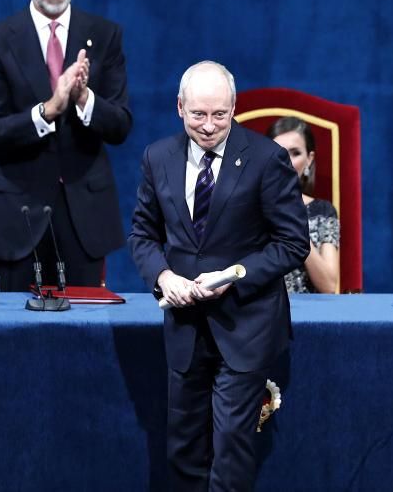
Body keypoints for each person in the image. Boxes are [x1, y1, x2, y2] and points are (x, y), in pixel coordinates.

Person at [129, 61, 309, 491]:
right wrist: (163, 277)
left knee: (231, 450)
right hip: (185, 327)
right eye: (198, 114)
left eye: (219, 114)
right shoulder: (158, 157)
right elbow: (142, 234)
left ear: (234, 108)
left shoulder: (267, 159)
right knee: (185, 451)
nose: (209, 126)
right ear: (179, 108)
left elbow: (292, 242)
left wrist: (239, 273)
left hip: (244, 324)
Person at [0, 0, 132, 291]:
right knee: (12, 336)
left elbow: (121, 125)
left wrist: (83, 100)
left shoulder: (105, 35)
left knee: (84, 335)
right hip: (17, 216)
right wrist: (48, 110)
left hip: (83, 217)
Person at [266, 116, 340, 293]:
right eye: (279, 152)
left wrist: (294, 221)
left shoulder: (322, 211)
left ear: (309, 159)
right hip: (260, 313)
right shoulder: (249, 206)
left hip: (310, 313)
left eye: (295, 153)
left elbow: (329, 286)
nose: (287, 161)